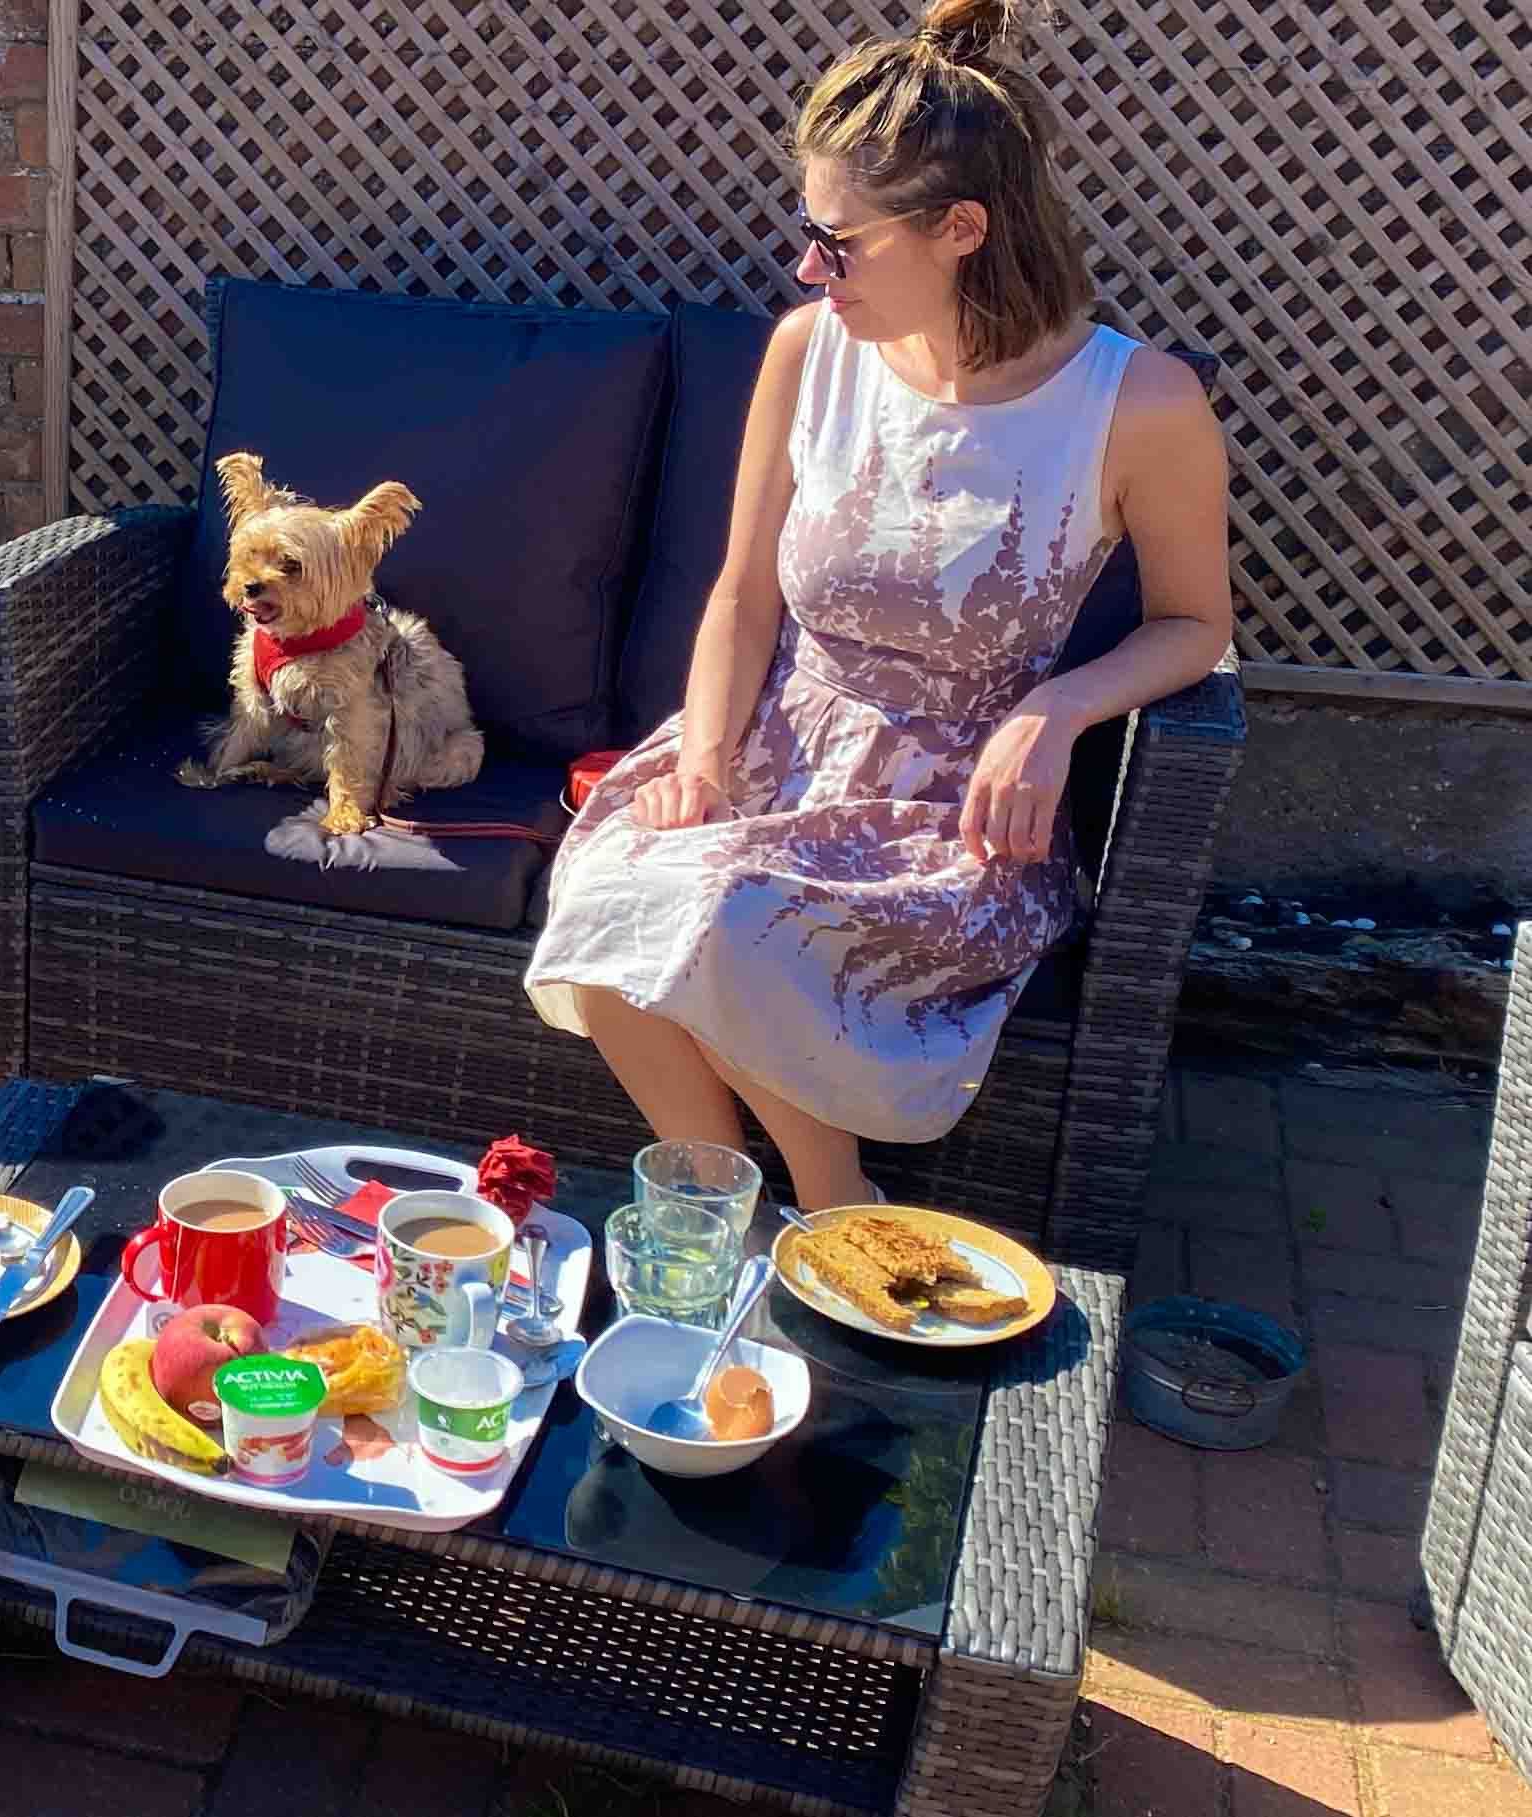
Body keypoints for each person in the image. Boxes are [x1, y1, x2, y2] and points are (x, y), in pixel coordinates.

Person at [524, 0, 1232, 1211]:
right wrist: (699, 761)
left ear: (959, 228)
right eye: (806, 232)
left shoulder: (1136, 404)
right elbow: (742, 591)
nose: (808, 267)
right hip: (774, 750)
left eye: (838, 241)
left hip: (949, 813)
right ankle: (715, 1208)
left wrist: (1056, 707)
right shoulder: (809, 351)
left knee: (707, 912)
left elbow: (1194, 625)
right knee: (605, 909)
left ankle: (832, 1201)